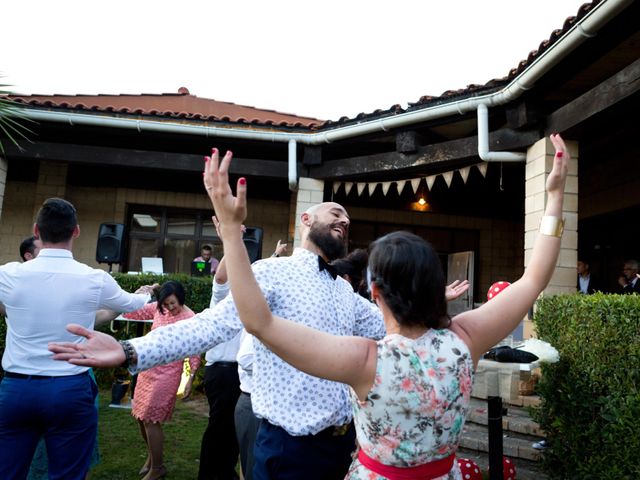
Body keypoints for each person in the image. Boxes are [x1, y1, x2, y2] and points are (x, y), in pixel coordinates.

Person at [49, 153, 467, 480]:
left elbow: (394, 330)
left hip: (344, 449)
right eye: (334, 212)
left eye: (347, 219)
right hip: (289, 447)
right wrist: (129, 349)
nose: (344, 220)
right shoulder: (270, 271)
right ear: (306, 220)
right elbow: (212, 324)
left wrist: (427, 300)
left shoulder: (347, 291)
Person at [201, 133, 569, 479]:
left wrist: (232, 233)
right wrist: (553, 196)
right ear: (433, 285)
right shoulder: (465, 339)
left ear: (374, 291)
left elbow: (259, 322)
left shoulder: (365, 360)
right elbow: (533, 279)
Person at [0, 198, 152, 480]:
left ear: (36, 231)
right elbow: (132, 304)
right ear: (76, 232)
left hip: (16, 390)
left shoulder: (8, 274)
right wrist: (148, 294)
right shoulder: (93, 278)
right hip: (69, 389)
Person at [123, 281, 201, 480]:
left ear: (180, 299)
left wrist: (190, 378)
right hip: (147, 369)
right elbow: (129, 312)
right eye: (165, 303)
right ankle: (152, 457)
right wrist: (141, 293)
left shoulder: (189, 318)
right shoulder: (159, 309)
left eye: (172, 303)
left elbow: (194, 352)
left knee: (151, 418)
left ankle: (157, 468)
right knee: (141, 417)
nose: (169, 307)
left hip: (168, 374)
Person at [198, 217, 241, 480]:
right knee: (219, 430)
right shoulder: (223, 296)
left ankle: (225, 473)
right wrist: (229, 240)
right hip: (223, 373)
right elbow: (222, 275)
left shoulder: (251, 301)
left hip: (238, 376)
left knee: (232, 431)